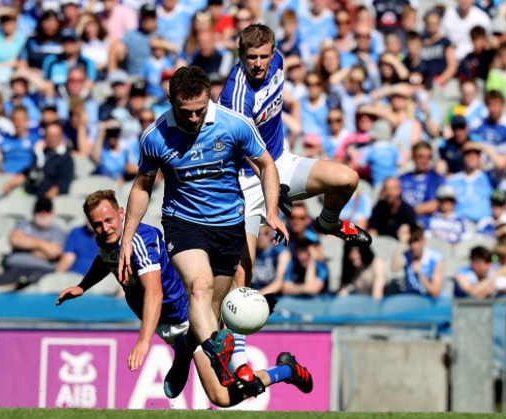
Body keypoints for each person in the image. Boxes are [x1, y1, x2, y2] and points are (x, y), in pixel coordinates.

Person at [119, 66, 290, 388]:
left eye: (200, 110)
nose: (194, 118)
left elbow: (266, 164)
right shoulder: (155, 136)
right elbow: (143, 186)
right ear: (171, 103)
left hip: (228, 226)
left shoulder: (233, 124)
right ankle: (220, 359)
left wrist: (271, 211)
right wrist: (127, 238)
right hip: (183, 223)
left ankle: (185, 351)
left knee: (210, 309)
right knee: (199, 288)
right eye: (186, 112)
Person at [57, 190, 312, 406]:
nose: (104, 228)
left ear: (122, 213)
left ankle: (285, 369)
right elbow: (106, 260)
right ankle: (191, 352)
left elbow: (154, 292)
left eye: (109, 221)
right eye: (97, 225)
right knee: (220, 391)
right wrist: (83, 286)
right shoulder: (108, 240)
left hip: (186, 319)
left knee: (221, 396)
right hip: (166, 323)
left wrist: (144, 342)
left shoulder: (140, 241)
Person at [219, 24, 370, 288]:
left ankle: (328, 222)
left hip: (280, 161)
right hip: (244, 180)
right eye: (251, 57)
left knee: (347, 178)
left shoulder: (278, 62)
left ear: (273, 52)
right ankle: (231, 331)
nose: (258, 63)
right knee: (243, 274)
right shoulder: (236, 97)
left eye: (263, 56)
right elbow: (250, 154)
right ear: (240, 55)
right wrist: (273, 191)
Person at [391, 224, 445, 299]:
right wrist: (402, 242)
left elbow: (436, 293)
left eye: (416, 241)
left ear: (423, 240)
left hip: (431, 302)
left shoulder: (436, 258)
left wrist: (420, 275)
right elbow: (394, 268)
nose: (413, 246)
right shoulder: (407, 255)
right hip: (411, 301)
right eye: (410, 242)